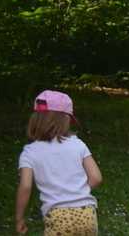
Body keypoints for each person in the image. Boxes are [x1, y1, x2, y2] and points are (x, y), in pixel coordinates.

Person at [14, 91, 100, 236]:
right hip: (87, 214)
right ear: (66, 120)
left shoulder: (29, 152)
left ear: (36, 119)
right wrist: (74, 191)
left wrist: (19, 218)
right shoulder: (78, 144)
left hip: (58, 216)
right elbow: (96, 178)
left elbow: (26, 186)